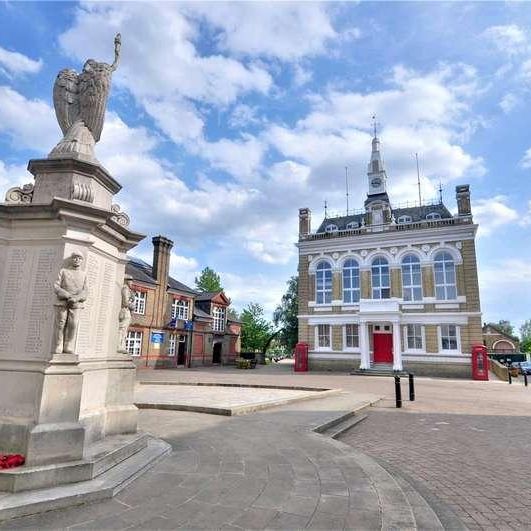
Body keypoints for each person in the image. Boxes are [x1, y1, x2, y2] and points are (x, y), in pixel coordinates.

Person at [52, 251, 87, 354]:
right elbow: (56, 286)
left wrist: (76, 298)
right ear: (71, 259)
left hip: (76, 303)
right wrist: (67, 295)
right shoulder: (63, 271)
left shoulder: (83, 274)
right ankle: (58, 344)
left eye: (79, 258)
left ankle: (68, 345)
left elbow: (85, 290)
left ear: (81, 261)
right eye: (75, 257)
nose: (77, 260)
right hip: (62, 301)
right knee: (60, 323)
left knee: (73, 324)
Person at [118, 275, 135, 352]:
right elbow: (125, 302)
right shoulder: (125, 289)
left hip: (127, 311)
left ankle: (122, 345)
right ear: (127, 281)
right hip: (125, 311)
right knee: (122, 329)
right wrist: (132, 306)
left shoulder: (128, 290)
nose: (132, 283)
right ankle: (119, 346)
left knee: (125, 330)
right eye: (131, 281)